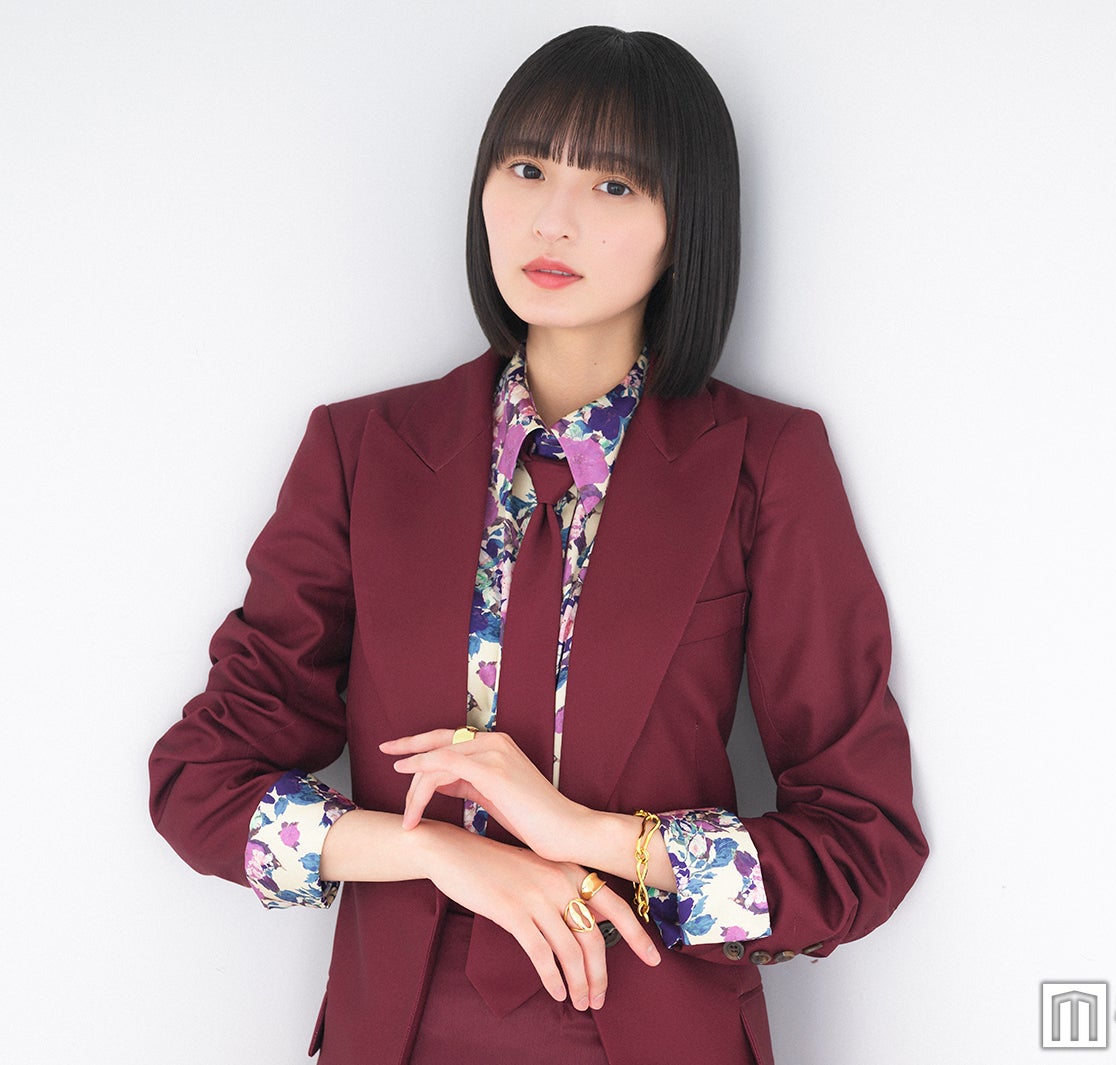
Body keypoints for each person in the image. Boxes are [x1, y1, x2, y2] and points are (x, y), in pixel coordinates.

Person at [148, 25, 928, 1065]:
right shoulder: (361, 452)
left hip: (657, 1031)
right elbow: (201, 781)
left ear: (684, 225)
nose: (552, 218)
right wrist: (440, 854)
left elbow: (861, 845)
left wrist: (591, 837)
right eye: (526, 169)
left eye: (613, 185)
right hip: (398, 1035)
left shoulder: (765, 463)